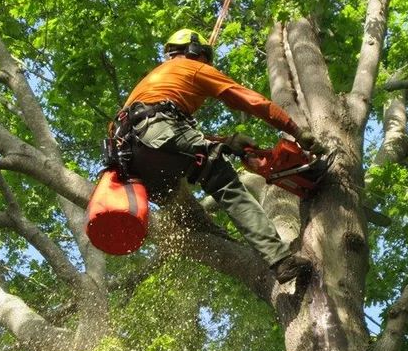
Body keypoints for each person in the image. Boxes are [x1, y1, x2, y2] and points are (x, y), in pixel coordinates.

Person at [112, 29, 324, 283]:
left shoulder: (152, 84)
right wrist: (296, 131)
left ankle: (211, 234)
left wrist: (227, 143)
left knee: (192, 193)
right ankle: (280, 259)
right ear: (195, 52)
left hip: (132, 160)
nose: (208, 64)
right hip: (159, 133)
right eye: (206, 58)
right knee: (224, 182)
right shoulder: (193, 67)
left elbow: (175, 139)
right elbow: (250, 100)